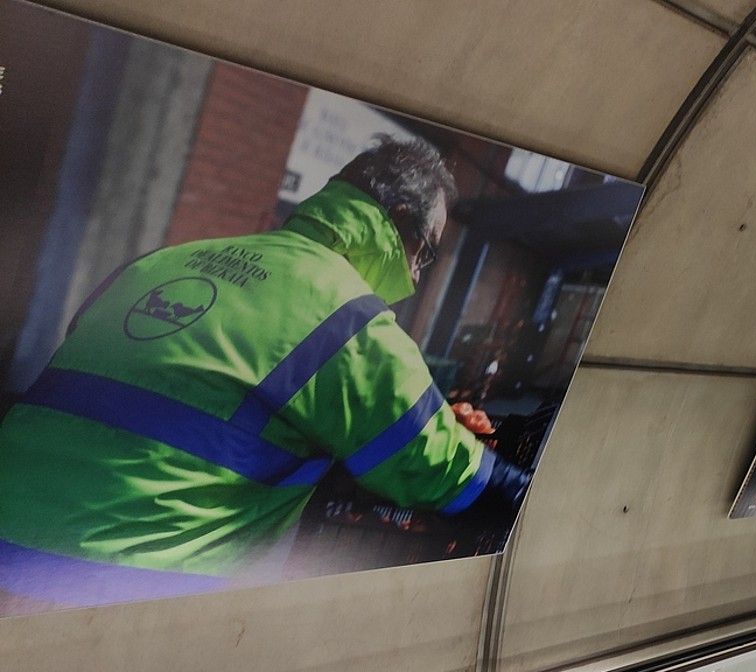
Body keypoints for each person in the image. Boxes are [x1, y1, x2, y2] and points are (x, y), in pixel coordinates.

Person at [0, 137, 530, 606]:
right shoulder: (348, 320)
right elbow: (446, 473)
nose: (417, 274)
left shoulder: (158, 263)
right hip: (103, 594)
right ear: (396, 220)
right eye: (426, 253)